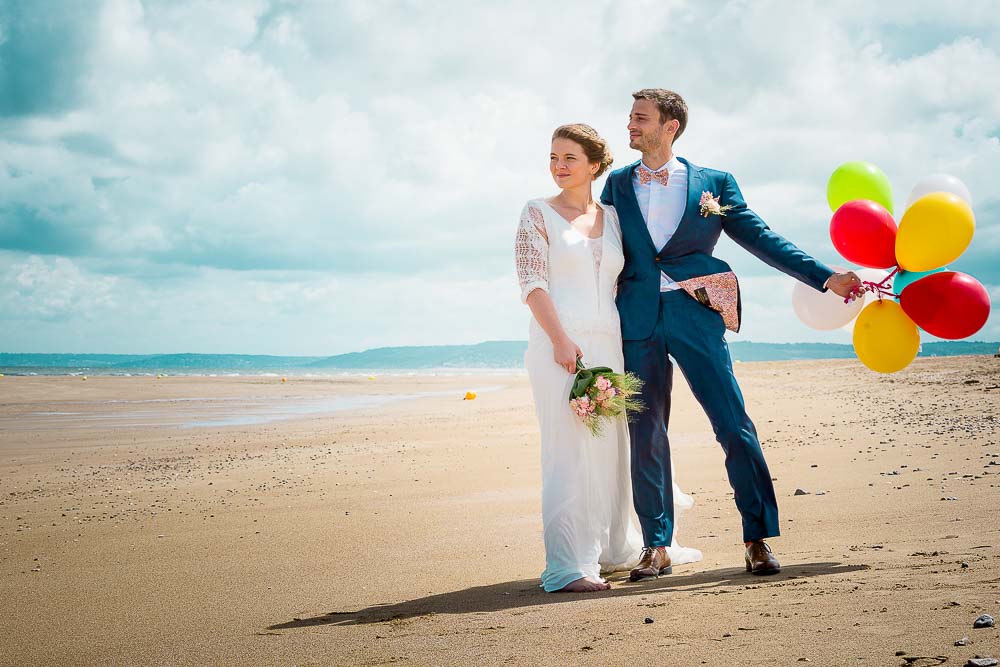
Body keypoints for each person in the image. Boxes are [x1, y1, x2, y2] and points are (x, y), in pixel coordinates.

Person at [600, 89, 862, 580]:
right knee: (646, 434)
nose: (630, 126)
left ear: (670, 125)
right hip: (635, 320)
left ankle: (756, 539)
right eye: (630, 117)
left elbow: (761, 237)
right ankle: (656, 546)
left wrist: (824, 277)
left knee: (733, 423)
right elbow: (604, 251)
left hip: (695, 314)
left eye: (640, 118)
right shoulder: (615, 184)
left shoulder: (714, 183)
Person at [515, 123, 701, 593]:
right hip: (559, 347)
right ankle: (568, 565)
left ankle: (611, 548)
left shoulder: (615, 219)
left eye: (569, 158)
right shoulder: (537, 213)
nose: (558, 166)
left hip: (610, 346)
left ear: (595, 166)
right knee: (568, 453)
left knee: (610, 449)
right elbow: (532, 284)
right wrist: (559, 340)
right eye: (553, 157)